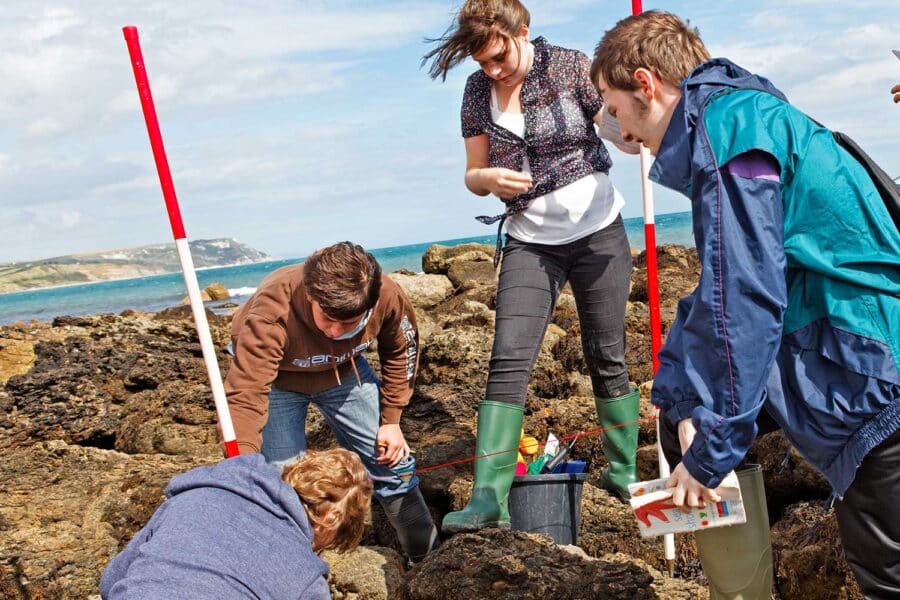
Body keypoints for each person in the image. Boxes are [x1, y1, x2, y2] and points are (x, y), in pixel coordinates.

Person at [592, 11, 900, 599]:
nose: (616, 126)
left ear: (645, 83)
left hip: (874, 373)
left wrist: (711, 452)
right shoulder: (743, 116)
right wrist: (680, 395)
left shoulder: (731, 135)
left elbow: (746, 299)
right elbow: (718, 293)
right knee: (678, 410)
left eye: (613, 103)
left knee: (889, 576)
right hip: (860, 352)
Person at [423, 0, 641, 534]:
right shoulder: (477, 93)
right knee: (508, 358)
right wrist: (490, 180)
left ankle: (624, 472)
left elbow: (614, 125)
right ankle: (488, 498)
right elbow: (473, 174)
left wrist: (632, 131)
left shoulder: (568, 65)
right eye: (483, 63)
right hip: (529, 241)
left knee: (606, 354)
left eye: (499, 57)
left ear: (525, 30)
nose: (493, 71)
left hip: (598, 234)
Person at [224, 241, 439, 563]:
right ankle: (293, 566)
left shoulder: (386, 295)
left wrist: (392, 420)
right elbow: (247, 395)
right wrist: (241, 464)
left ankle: (426, 558)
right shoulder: (270, 313)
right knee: (283, 485)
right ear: (311, 296)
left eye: (349, 323)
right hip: (279, 381)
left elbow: (400, 350)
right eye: (327, 319)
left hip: (345, 371)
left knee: (394, 467)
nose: (335, 330)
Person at [100, 448, 372, 599]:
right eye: (335, 538)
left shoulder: (193, 497)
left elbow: (111, 580)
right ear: (330, 519)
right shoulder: (305, 579)